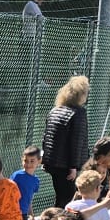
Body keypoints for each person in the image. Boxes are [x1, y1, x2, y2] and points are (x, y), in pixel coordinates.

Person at [41, 76, 90, 210]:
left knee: (60, 196)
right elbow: (76, 141)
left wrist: (45, 160)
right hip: (66, 166)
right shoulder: (78, 113)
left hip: (53, 163)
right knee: (67, 200)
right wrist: (73, 167)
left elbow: (46, 137)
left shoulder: (55, 111)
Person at [11, 146, 44, 220]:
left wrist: (31, 214)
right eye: (26, 161)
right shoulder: (17, 176)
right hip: (13, 214)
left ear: (39, 161)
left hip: (24, 215)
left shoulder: (36, 180)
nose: (28, 164)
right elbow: (8, 193)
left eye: (32, 161)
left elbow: (29, 198)